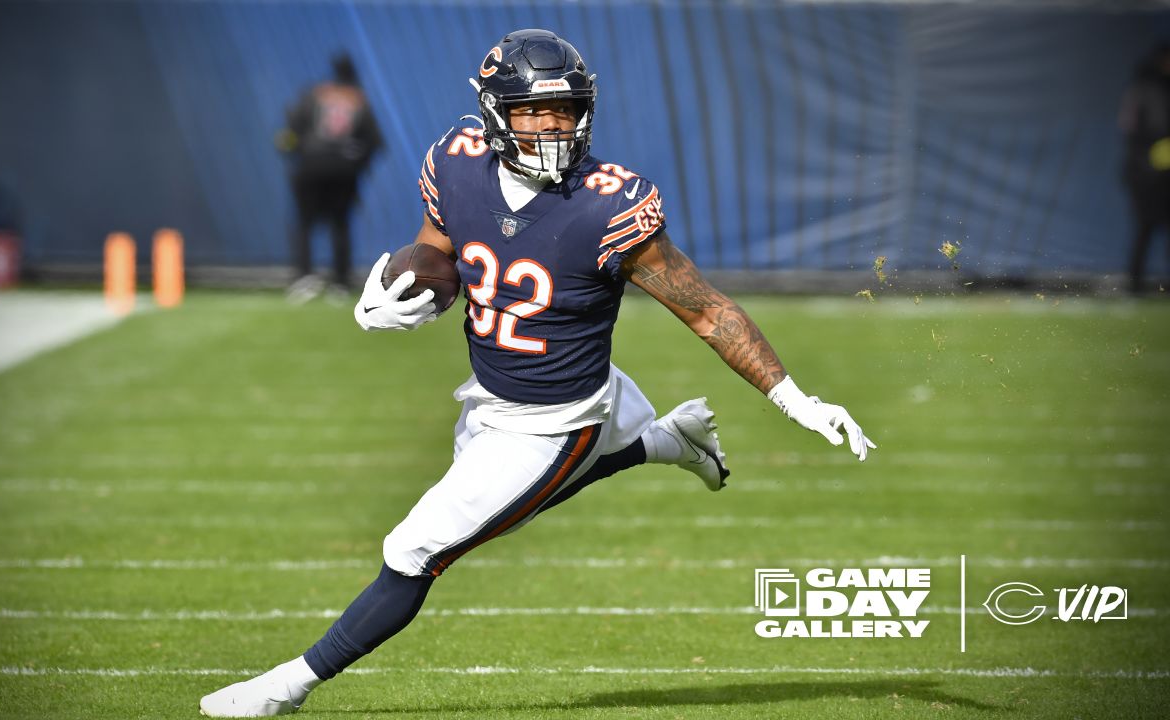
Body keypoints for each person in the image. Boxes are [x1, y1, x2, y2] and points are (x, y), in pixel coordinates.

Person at [200, 29, 873, 717]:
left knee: (416, 547)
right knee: (501, 516)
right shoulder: (454, 164)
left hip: (558, 422)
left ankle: (286, 687)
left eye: (567, 109)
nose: (554, 125)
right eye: (533, 110)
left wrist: (794, 398)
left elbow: (708, 312)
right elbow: (439, 255)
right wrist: (405, 295)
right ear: (496, 112)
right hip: (492, 398)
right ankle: (667, 442)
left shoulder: (611, 203)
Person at [279, 53, 383, 303]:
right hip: (343, 171)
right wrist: (357, 165)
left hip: (310, 166)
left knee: (304, 223)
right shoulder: (359, 100)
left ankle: (304, 278)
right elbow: (376, 142)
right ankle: (341, 283)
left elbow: (291, 131)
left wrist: (295, 153)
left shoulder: (315, 94)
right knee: (340, 224)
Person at [1120, 44, 1170, 294]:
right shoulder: (1147, 88)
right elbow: (1140, 132)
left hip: (1154, 172)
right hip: (1145, 174)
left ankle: (1138, 284)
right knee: (1145, 227)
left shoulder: (1150, 87)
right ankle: (1135, 284)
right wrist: (1150, 161)